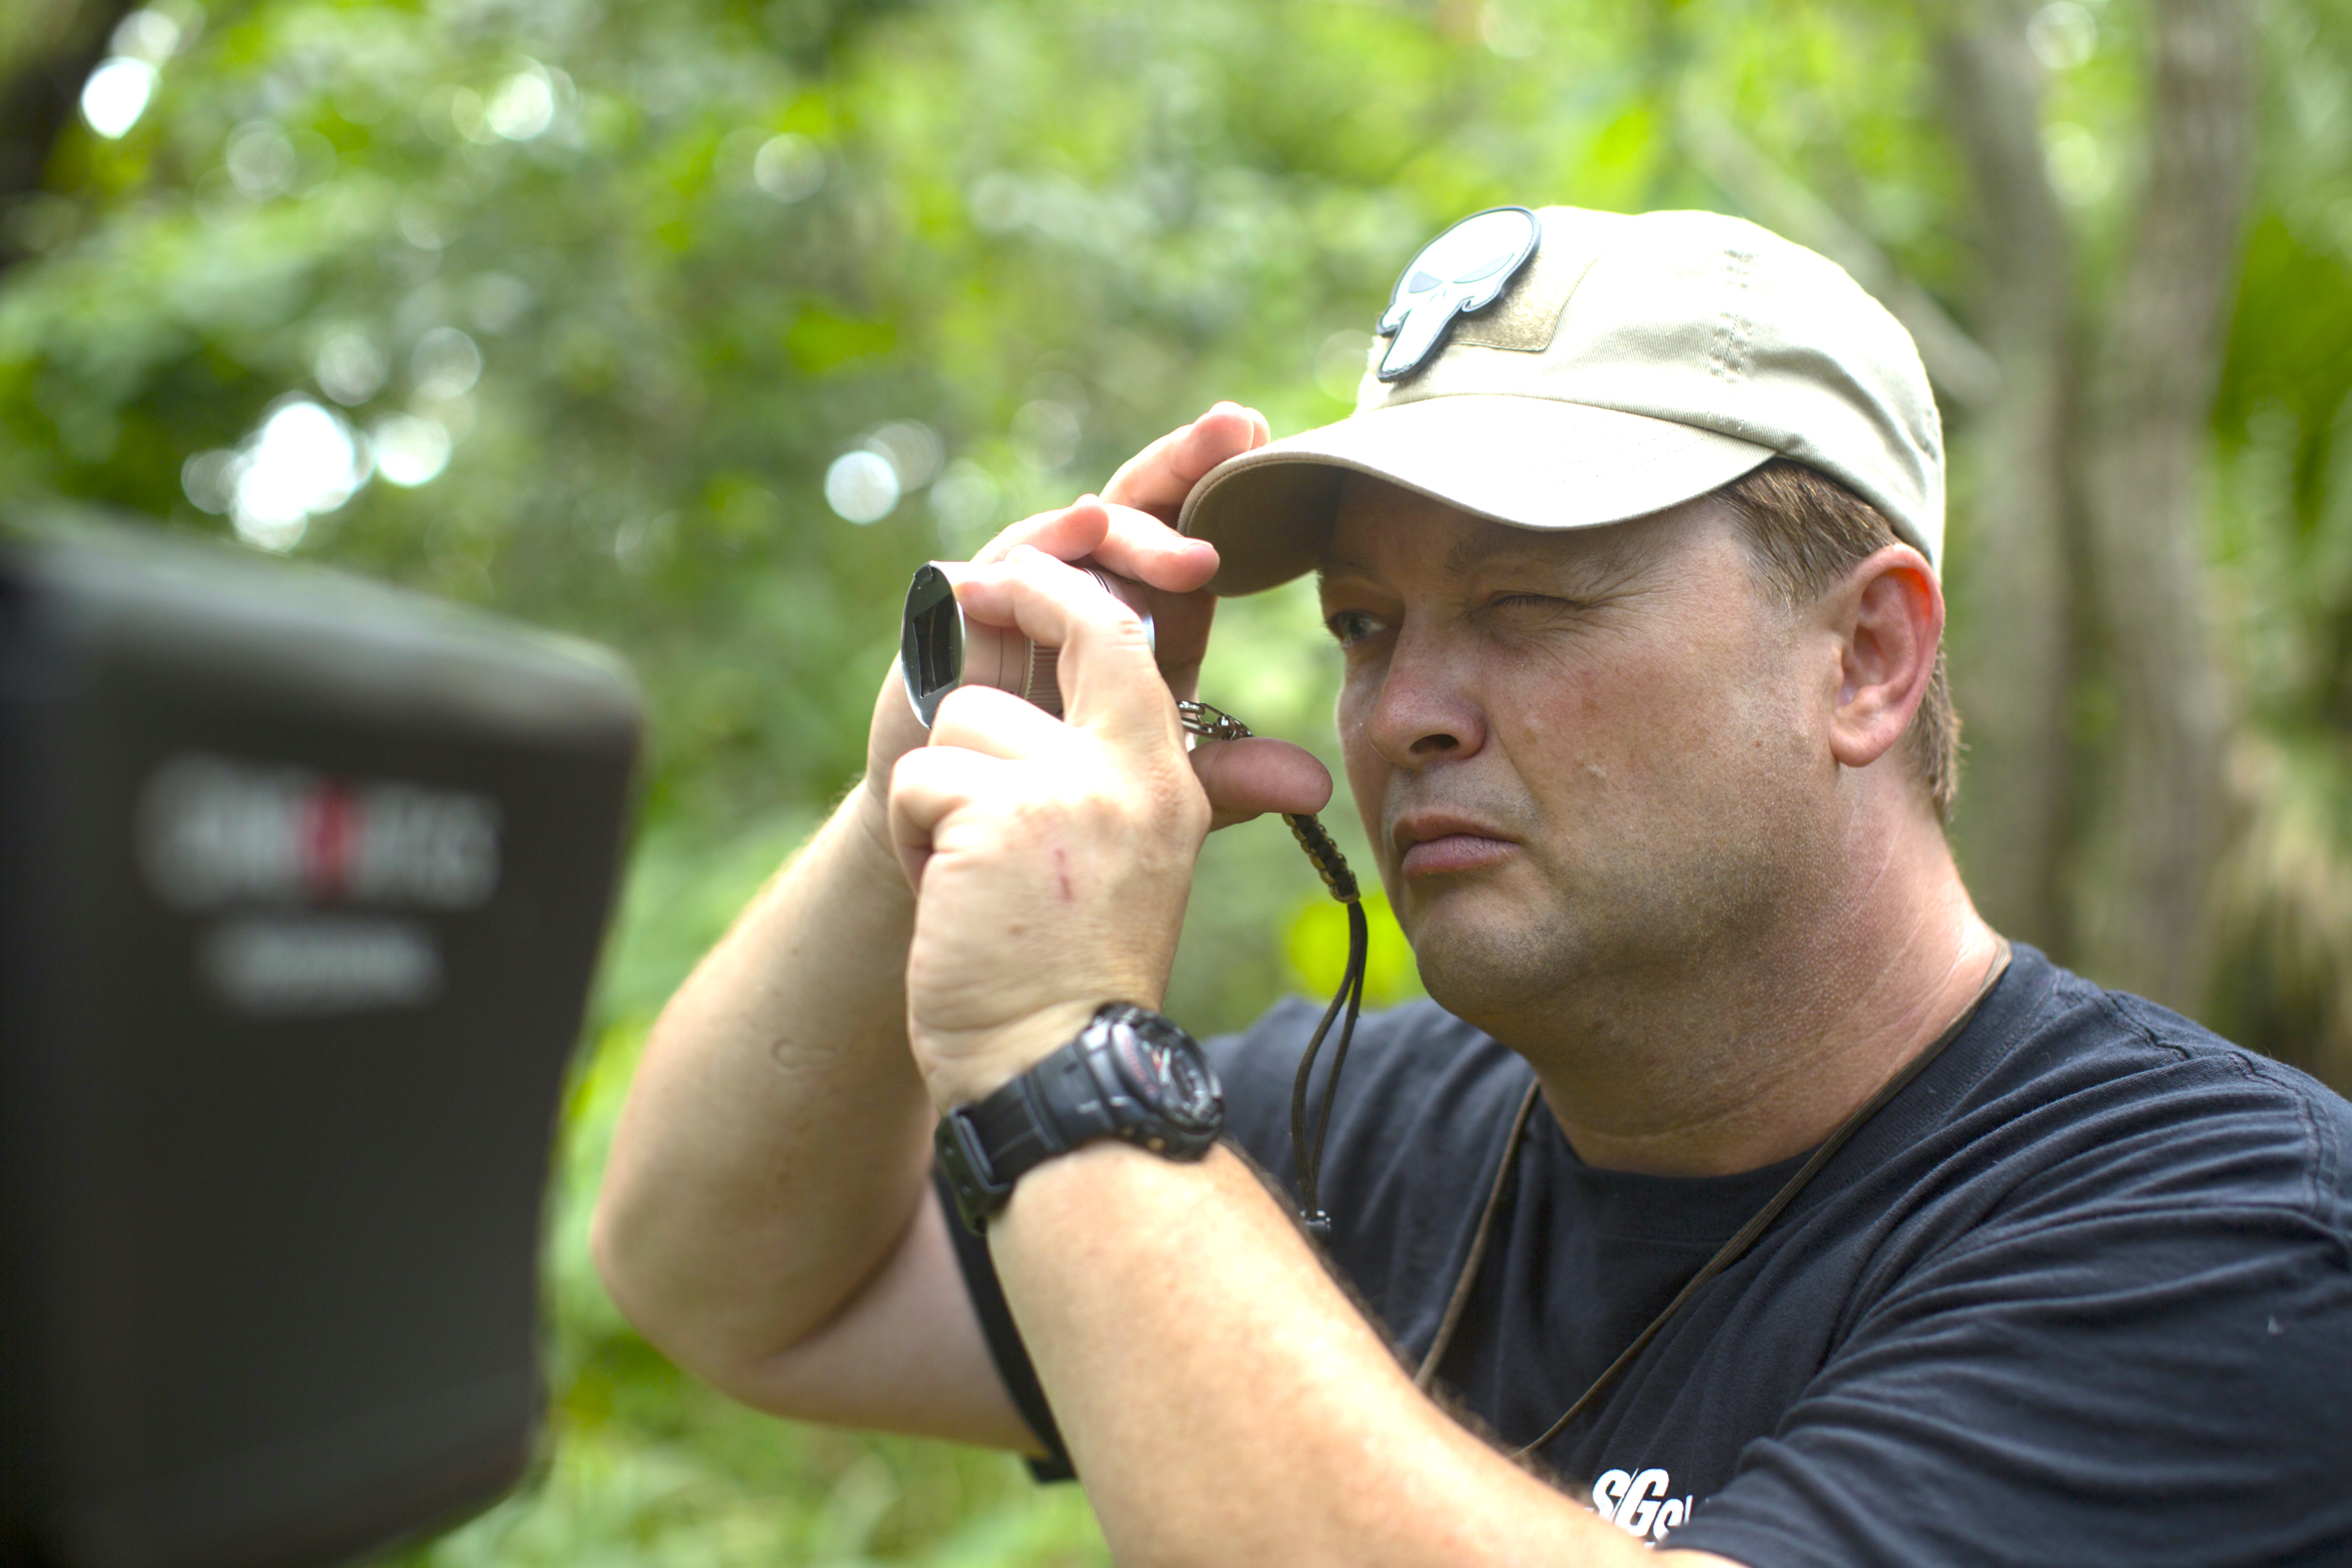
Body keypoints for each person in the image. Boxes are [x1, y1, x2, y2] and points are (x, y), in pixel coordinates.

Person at [591, 205, 2352, 1565]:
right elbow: (733, 1280)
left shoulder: (2230, 1236)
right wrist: (934, 751)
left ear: (1869, 661)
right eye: (1367, 627)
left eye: (1528, 606)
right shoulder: (1363, 1132)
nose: (1405, 713)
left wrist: (1068, 1061)